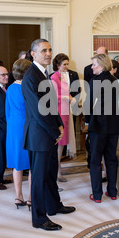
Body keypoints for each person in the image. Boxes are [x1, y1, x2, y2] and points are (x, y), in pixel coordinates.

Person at [22, 39, 75, 231]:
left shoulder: (44, 73)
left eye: (50, 50)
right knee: (39, 177)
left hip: (49, 133)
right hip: (39, 135)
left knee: (50, 172)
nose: (48, 53)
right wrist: (56, 131)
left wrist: (59, 125)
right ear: (33, 54)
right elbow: (38, 111)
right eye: (43, 50)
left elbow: (51, 105)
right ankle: (39, 218)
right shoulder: (31, 76)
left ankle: (54, 205)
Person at [86, 53, 119, 203]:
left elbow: (89, 104)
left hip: (98, 125)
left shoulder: (94, 81)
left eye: (94, 64)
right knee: (111, 159)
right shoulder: (114, 80)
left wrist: (86, 122)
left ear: (102, 66)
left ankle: (97, 195)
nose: (92, 67)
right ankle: (112, 192)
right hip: (114, 124)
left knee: (95, 160)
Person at [6, 59, 32, 209]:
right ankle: (30, 198)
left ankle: (18, 196)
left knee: (17, 164)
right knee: (32, 164)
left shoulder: (10, 88)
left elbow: (7, 111)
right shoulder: (29, 88)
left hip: (13, 127)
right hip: (27, 125)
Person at [50, 53, 77, 182]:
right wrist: (66, 98)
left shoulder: (63, 77)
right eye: (64, 64)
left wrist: (70, 97)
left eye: (67, 64)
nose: (67, 66)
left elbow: (66, 92)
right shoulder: (54, 77)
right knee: (59, 142)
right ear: (58, 65)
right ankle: (56, 172)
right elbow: (53, 97)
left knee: (62, 143)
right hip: (59, 111)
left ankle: (58, 170)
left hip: (66, 111)